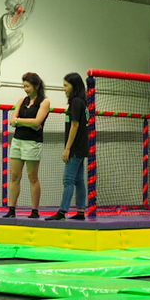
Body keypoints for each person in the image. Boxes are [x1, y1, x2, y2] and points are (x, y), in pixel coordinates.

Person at [4, 72, 50, 219]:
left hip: (32, 143)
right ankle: (11, 209)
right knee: (15, 176)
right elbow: (12, 121)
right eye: (24, 86)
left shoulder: (44, 102)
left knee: (32, 177)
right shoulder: (21, 100)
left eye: (28, 86)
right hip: (18, 140)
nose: (25, 89)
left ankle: (35, 210)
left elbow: (37, 122)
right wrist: (28, 123)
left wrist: (21, 121)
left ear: (36, 86)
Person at [48, 72, 89, 221]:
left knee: (68, 180)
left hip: (76, 148)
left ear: (74, 86)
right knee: (78, 180)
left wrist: (67, 148)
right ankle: (80, 211)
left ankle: (62, 211)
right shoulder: (81, 102)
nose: (64, 89)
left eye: (66, 86)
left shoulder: (77, 102)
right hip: (81, 147)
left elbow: (75, 125)